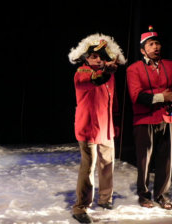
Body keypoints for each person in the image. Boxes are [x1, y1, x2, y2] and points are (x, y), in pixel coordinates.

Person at [68, 33, 126, 223]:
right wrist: (107, 71)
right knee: (88, 167)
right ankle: (80, 208)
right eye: (94, 56)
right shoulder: (82, 73)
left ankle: (105, 199)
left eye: (101, 56)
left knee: (107, 165)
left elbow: (114, 102)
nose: (98, 59)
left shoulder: (108, 75)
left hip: (106, 128)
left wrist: (115, 123)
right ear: (86, 57)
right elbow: (95, 80)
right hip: (88, 128)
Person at [126, 26, 172, 210]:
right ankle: (144, 194)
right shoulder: (134, 69)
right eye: (151, 44)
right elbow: (137, 96)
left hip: (167, 118)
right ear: (142, 49)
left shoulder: (169, 65)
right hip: (144, 119)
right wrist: (164, 96)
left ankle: (162, 194)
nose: (156, 47)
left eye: (157, 43)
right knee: (144, 160)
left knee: (166, 160)